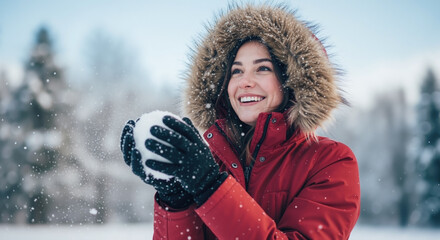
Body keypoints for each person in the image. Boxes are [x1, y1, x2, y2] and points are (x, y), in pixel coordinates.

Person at [121, 4, 360, 239]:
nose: (244, 82)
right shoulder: (206, 159)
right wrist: (174, 200)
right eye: (236, 71)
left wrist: (211, 187)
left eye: (262, 68)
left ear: (293, 81)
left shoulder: (331, 161)